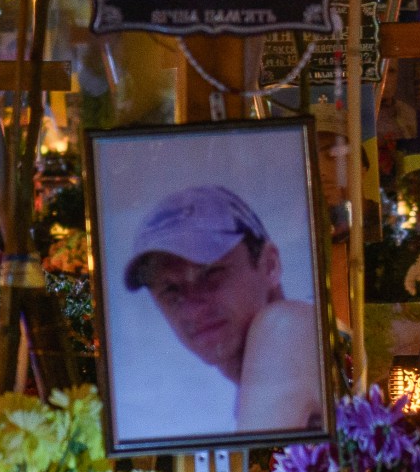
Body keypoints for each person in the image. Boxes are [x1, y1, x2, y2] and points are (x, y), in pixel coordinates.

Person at [123, 185, 323, 434]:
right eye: (171, 291)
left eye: (211, 274)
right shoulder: (249, 395)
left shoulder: (286, 327)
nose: (193, 310)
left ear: (270, 265)